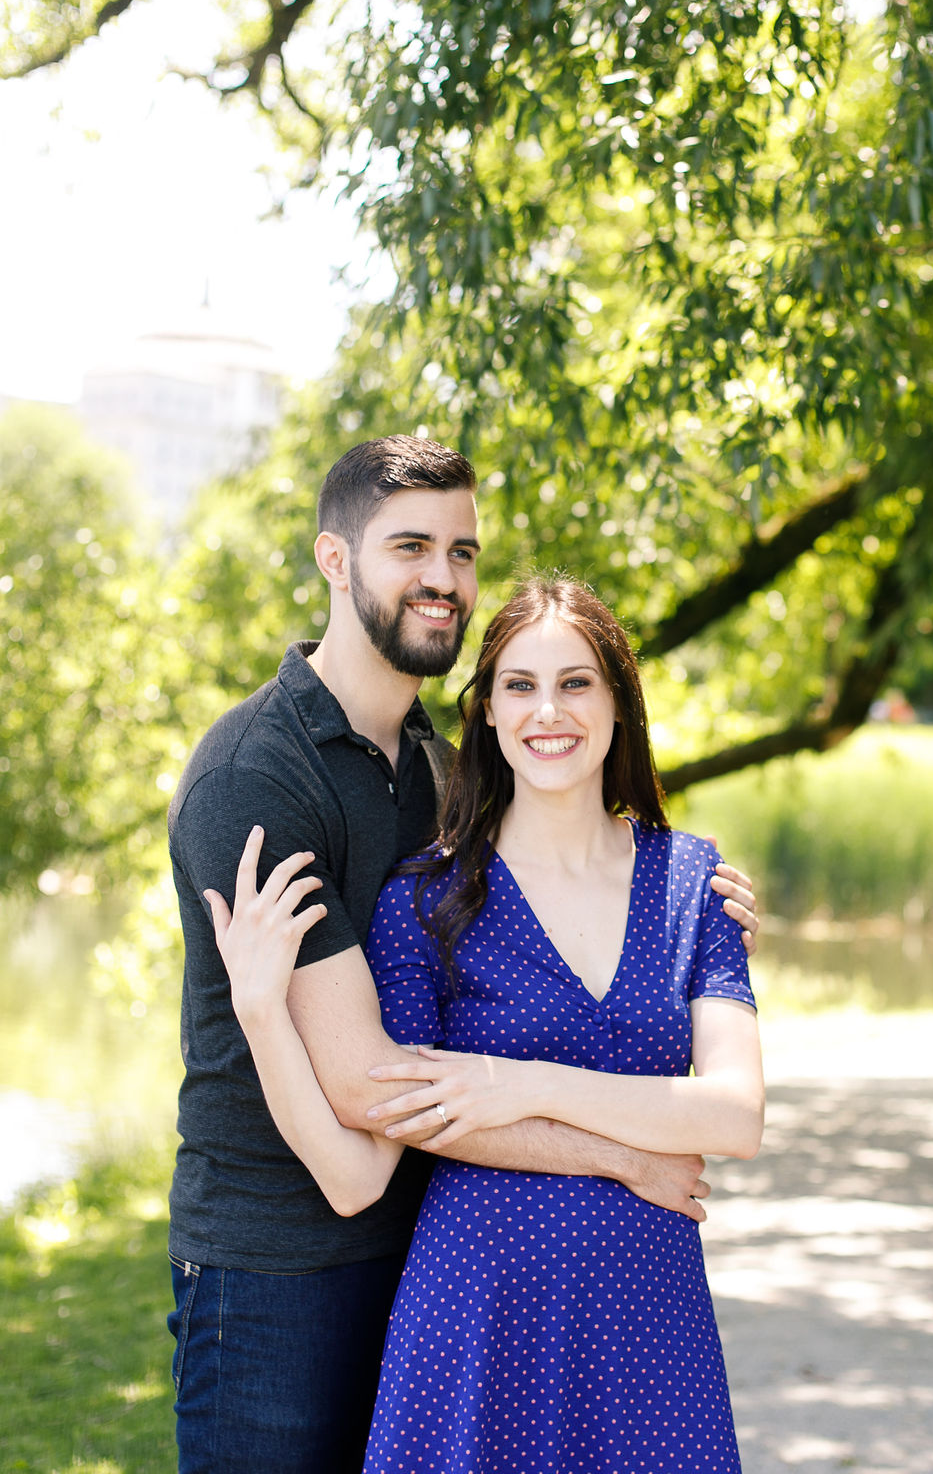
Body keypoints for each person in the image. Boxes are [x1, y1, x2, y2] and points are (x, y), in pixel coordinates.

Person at [169, 434, 760, 1474]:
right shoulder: (257, 777)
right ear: (335, 559)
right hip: (277, 1267)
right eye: (411, 546)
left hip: (418, 1243)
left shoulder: (434, 777)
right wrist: (626, 1153)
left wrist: (691, 914)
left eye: (462, 551)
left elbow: (471, 1067)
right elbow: (385, 1091)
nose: (442, 577)